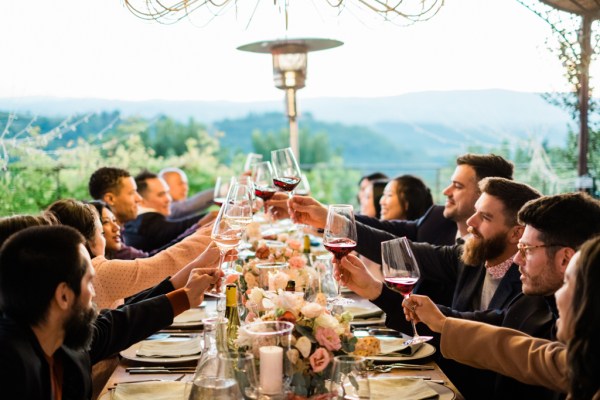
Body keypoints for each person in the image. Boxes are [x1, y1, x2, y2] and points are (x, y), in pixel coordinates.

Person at [337, 177, 542, 398]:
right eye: (475, 212)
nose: (471, 222)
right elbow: (407, 252)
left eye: (485, 217)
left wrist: (380, 293)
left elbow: (471, 327)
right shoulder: (472, 256)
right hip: (447, 380)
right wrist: (373, 289)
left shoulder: (531, 284)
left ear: (516, 233)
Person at [402, 192, 600, 399]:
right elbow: (511, 348)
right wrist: (441, 322)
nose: (516, 259)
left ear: (565, 260)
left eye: (526, 249)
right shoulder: (529, 305)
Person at [0, 225, 220, 400]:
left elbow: (114, 325)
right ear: (63, 296)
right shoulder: (12, 369)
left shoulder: (58, 337)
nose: (92, 292)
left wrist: (184, 294)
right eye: (88, 282)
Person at [286, 153, 514, 305]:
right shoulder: (437, 220)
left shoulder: (512, 272)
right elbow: (387, 234)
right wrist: (329, 217)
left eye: (457, 186)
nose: (446, 191)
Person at [46, 198, 223, 309]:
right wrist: (215, 232)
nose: (115, 229)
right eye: (101, 232)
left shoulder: (60, 273)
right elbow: (163, 265)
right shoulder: (97, 271)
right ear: (87, 241)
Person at [124, 170, 211, 252]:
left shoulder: (135, 222)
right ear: (141, 200)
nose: (168, 199)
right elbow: (176, 229)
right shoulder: (148, 222)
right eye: (161, 195)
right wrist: (212, 216)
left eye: (167, 193)